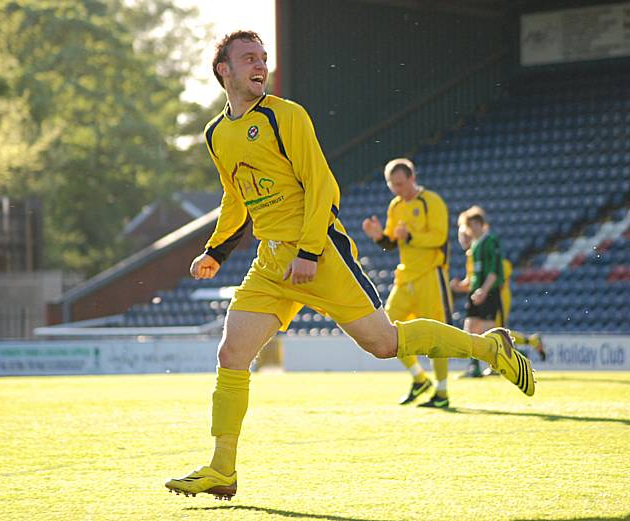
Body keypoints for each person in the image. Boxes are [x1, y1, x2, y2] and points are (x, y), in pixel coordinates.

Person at [165, 30, 535, 501]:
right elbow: (236, 197)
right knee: (231, 355)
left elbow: (322, 185)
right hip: (270, 261)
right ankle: (221, 469)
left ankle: (490, 350)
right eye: (249, 58)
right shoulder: (216, 133)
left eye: (263, 57)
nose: (261, 65)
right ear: (224, 70)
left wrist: (308, 250)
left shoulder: (287, 115)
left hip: (318, 254)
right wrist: (216, 251)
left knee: (384, 344)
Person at [362, 158, 453, 408]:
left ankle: (442, 391)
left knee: (437, 334)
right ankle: (419, 378)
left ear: (412, 178)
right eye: (392, 185)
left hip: (430, 275)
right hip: (406, 276)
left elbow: (440, 237)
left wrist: (410, 236)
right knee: (386, 330)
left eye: (400, 184)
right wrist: (379, 236)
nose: (397, 190)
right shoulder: (395, 206)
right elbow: (392, 242)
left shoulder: (430, 201)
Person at [451, 208, 546, 378]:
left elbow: (494, 272)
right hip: (476, 293)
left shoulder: (491, 241)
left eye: (470, 226)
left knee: (493, 331)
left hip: (491, 293)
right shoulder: (474, 248)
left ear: (479, 224)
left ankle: (512, 359)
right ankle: (475, 367)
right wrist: (460, 286)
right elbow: (473, 277)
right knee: (470, 329)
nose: (468, 231)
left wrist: (483, 290)